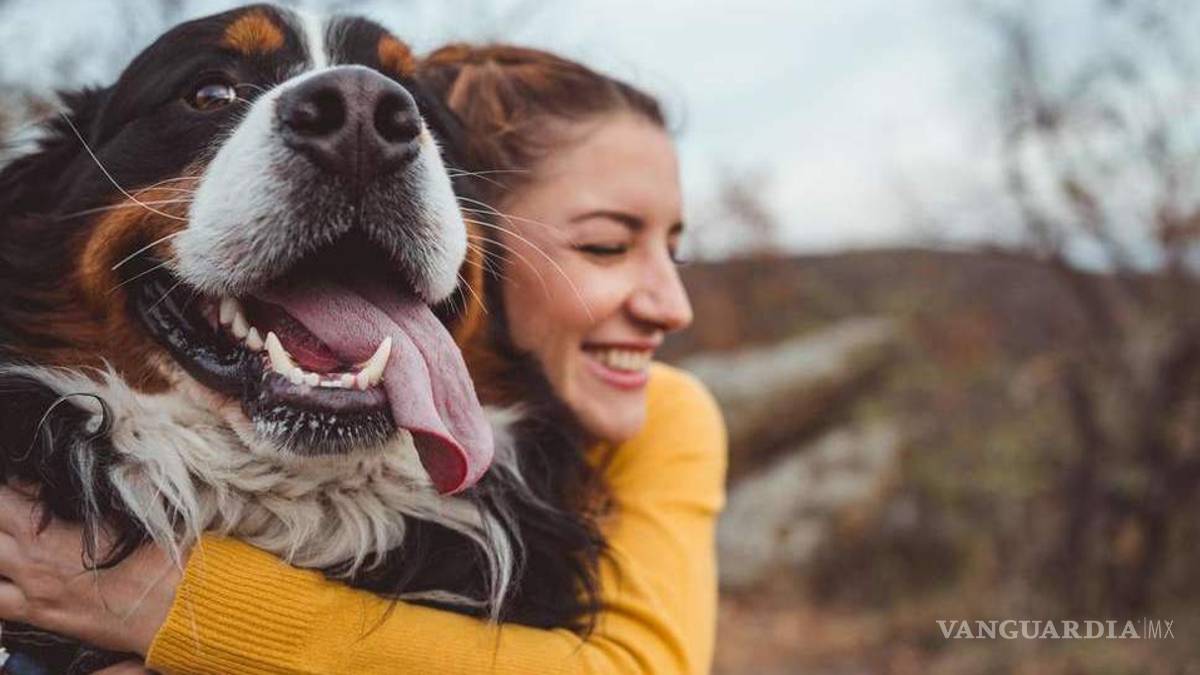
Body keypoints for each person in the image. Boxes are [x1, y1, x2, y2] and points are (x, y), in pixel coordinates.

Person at [0, 44, 727, 674]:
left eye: (674, 248)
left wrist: (174, 606)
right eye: (605, 245)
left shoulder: (667, 411)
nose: (674, 306)